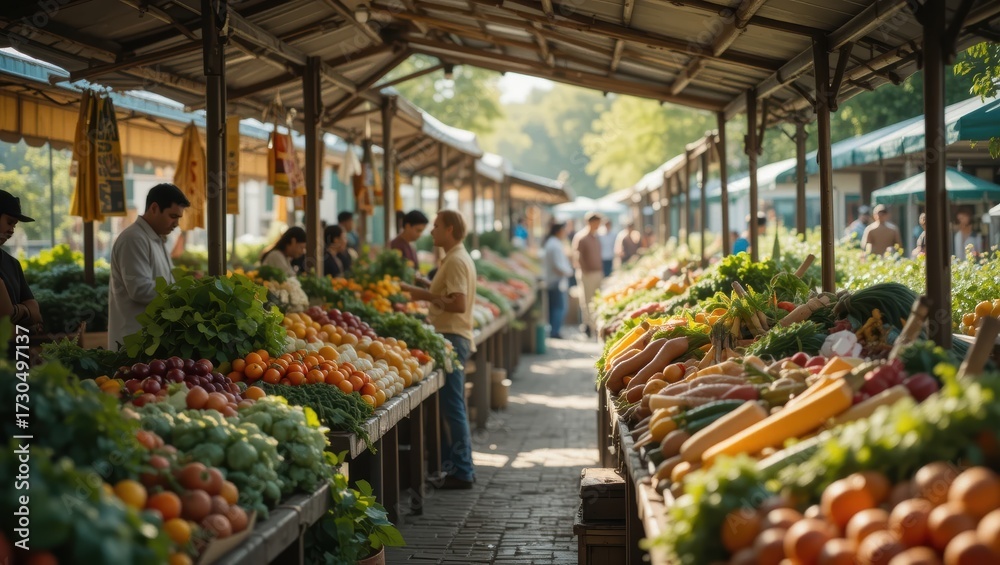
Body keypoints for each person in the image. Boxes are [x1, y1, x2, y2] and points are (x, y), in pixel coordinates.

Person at [399, 210, 477, 489]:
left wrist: (421, 294)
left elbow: (458, 304)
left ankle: (463, 472)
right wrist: (423, 284)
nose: (432, 232)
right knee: (452, 406)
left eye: (436, 227)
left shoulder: (455, 259)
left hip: (453, 338)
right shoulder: (456, 256)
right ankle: (461, 467)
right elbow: (449, 295)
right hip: (453, 336)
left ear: (450, 229)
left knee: (453, 406)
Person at [109, 183, 190, 349]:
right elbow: (140, 289)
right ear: (154, 208)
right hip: (133, 340)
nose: (176, 224)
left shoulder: (155, 238)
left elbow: (164, 281)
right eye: (173, 216)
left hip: (150, 339)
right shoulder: (134, 239)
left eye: (179, 218)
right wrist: (183, 292)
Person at [0, 190, 43, 334]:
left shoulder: (12, 263)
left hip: (19, 353)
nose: (12, 230)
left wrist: (16, 311)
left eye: (15, 225)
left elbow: (36, 313)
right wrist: (26, 316)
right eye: (9, 222)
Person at [572, 212, 604, 338]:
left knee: (596, 301)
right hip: (587, 274)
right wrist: (585, 270)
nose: (598, 225)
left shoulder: (595, 237)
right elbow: (577, 256)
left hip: (597, 272)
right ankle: (589, 326)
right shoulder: (581, 237)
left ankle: (595, 326)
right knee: (587, 300)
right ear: (590, 222)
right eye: (597, 222)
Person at [543, 222, 573, 339]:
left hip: (554, 280)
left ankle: (554, 330)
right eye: (563, 230)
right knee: (559, 308)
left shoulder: (553, 243)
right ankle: (555, 331)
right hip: (556, 281)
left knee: (555, 307)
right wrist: (568, 272)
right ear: (558, 231)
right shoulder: (554, 245)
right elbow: (557, 266)